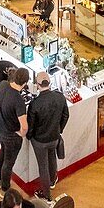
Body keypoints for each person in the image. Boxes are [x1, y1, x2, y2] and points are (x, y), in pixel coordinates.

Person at [27, 71, 69, 200]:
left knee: (43, 166)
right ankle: (52, 181)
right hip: (54, 137)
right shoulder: (60, 97)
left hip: (39, 140)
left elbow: (31, 125)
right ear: (49, 82)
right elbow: (65, 116)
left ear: (37, 85)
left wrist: (29, 136)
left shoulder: (35, 104)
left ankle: (46, 196)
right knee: (52, 158)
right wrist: (59, 129)